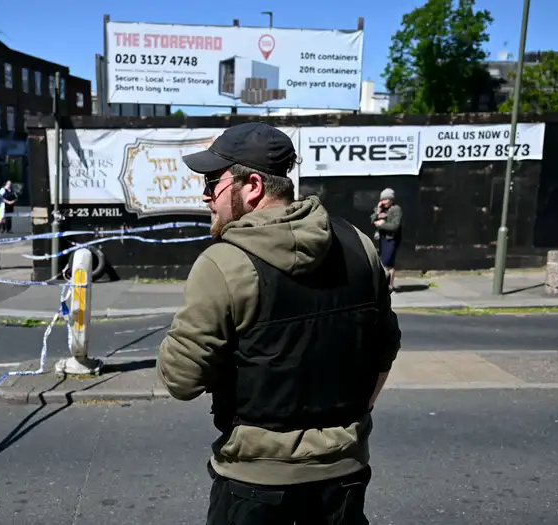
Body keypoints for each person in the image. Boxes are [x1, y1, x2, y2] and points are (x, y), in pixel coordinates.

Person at [156, 122, 401, 525]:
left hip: (255, 483)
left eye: (211, 182)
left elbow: (181, 381)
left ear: (251, 186)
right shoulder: (358, 244)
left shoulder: (222, 264)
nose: (205, 196)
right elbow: (385, 349)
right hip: (345, 475)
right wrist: (351, 420)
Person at [371, 188, 403, 291]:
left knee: (387, 263)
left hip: (391, 239)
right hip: (382, 239)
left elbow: (395, 226)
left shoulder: (396, 209)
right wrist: (378, 211)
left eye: (385, 200)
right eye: (382, 200)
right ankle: (384, 284)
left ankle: (389, 285)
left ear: (391, 199)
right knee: (383, 262)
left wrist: (382, 224)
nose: (383, 202)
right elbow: (372, 219)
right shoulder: (382, 208)